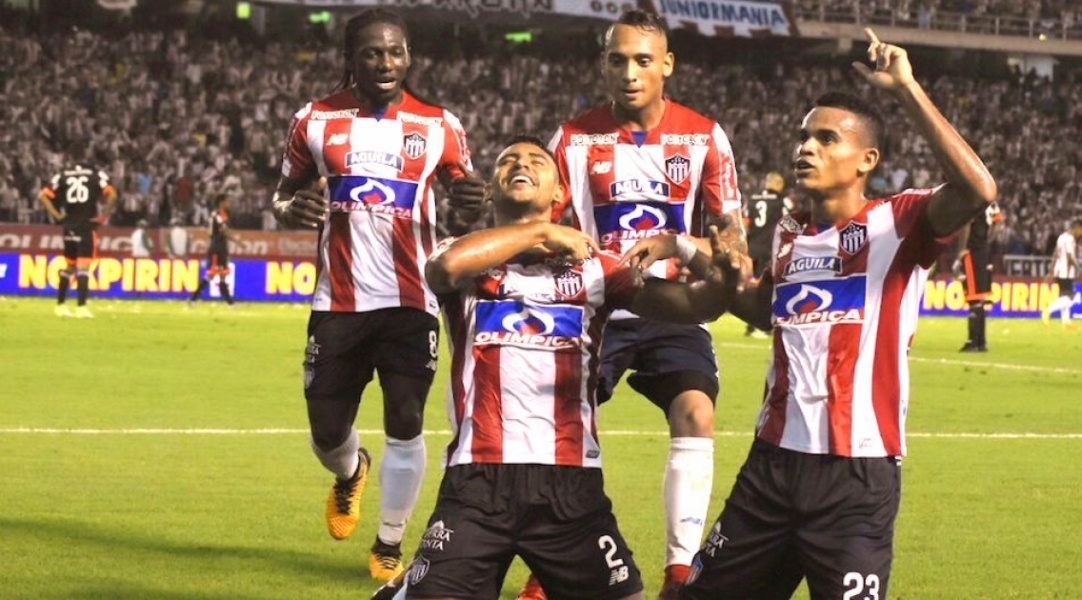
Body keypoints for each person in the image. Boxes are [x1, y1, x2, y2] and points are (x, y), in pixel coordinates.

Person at [674, 30, 997, 600]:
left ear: (866, 160)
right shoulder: (789, 231)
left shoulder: (901, 221)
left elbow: (977, 188)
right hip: (771, 466)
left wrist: (906, 89)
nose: (807, 148)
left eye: (826, 139)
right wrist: (704, 262)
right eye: (804, 137)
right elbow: (764, 306)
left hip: (857, 475)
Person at [370, 135, 740, 600]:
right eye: (508, 160)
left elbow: (689, 307)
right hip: (479, 480)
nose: (521, 164)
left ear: (559, 194)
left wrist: (707, 266)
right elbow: (443, 269)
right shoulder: (464, 256)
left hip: (571, 486)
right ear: (492, 190)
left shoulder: (598, 271)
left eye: (536, 160)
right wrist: (544, 232)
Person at [531, 11, 749, 598]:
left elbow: (731, 240)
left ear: (667, 65)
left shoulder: (703, 136)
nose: (629, 72)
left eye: (643, 60)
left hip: (672, 307)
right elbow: (543, 229)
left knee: (696, 412)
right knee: (558, 428)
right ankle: (544, 564)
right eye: (617, 59)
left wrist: (687, 246)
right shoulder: (573, 139)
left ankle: (680, 571)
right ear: (604, 63)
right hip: (592, 309)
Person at [270, 8, 486, 582]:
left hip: (412, 298)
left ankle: (391, 541)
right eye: (372, 53)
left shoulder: (439, 125)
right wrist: (295, 209)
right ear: (351, 59)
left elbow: (467, 196)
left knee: (408, 417)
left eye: (395, 52)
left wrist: (472, 205)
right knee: (325, 429)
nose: (386, 63)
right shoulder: (313, 119)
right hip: (337, 302)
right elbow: (282, 195)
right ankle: (350, 473)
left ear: (409, 56)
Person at [37, 163, 118, 318]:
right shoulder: (95, 174)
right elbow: (112, 195)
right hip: (86, 225)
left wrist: (57, 215)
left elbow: (42, 196)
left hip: (69, 225)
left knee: (70, 266)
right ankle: (81, 307)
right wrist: (103, 216)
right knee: (83, 267)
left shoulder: (62, 175)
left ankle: (60, 306)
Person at [743, 171, 793, 338]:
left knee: (753, 286)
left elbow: (745, 224)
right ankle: (763, 326)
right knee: (768, 287)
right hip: (770, 248)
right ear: (778, 185)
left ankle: (751, 326)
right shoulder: (781, 202)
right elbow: (790, 224)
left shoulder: (752, 199)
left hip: (752, 248)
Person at [954, 202, 1001, 352]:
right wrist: (986, 242)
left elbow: (967, 225)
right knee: (980, 299)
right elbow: (997, 224)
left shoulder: (973, 201)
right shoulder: (992, 203)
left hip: (972, 253)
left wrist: (962, 250)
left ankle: (972, 342)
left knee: (973, 298)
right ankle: (981, 342)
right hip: (984, 253)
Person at [188, 194, 239, 306]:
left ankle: (230, 303)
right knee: (211, 274)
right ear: (221, 203)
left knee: (222, 275)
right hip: (217, 248)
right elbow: (224, 231)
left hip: (219, 247)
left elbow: (212, 231)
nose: (229, 204)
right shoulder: (219, 214)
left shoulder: (215, 214)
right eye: (227, 202)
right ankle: (193, 299)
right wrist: (237, 242)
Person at [1041, 221, 1082, 328]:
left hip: (1058, 270)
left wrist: (1051, 270)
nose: (1081, 233)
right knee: (1070, 297)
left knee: (1065, 295)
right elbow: (1070, 257)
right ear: (1075, 228)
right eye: (1080, 230)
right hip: (1066, 272)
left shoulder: (1061, 237)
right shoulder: (1070, 239)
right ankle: (1047, 310)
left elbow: (1055, 254)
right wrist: (1080, 269)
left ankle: (1066, 322)